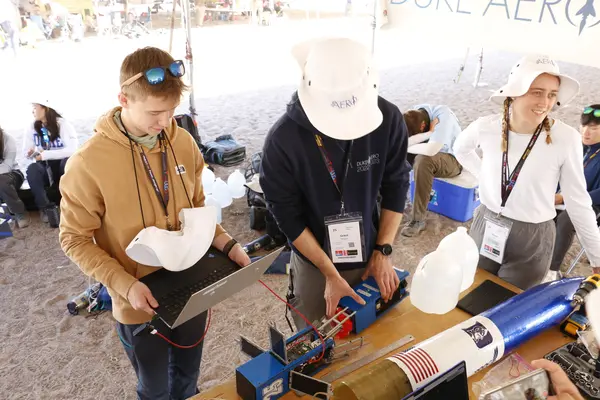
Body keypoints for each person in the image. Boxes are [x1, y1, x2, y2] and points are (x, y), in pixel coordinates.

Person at [58, 47, 251, 399]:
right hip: (138, 301)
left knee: (188, 381)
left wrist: (227, 243)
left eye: (172, 111)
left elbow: (196, 207)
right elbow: (74, 238)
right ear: (123, 99)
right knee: (155, 389)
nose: (164, 123)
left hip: (193, 286)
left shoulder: (182, 141)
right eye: (154, 112)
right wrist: (124, 285)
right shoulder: (88, 163)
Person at [260, 37, 411, 330]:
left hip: (373, 250)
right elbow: (286, 216)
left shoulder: (389, 119)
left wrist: (384, 251)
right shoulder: (282, 140)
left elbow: (397, 184)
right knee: (318, 340)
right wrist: (329, 273)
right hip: (315, 261)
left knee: (375, 334)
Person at [454, 54, 600, 290]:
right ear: (514, 92)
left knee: (507, 305)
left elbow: (578, 201)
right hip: (486, 222)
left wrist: (597, 257)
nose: (545, 102)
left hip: (532, 237)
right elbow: (460, 149)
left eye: (552, 94)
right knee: (472, 291)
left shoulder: (565, 138)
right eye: (536, 92)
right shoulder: (486, 127)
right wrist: (485, 178)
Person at [548, 105, 600, 280]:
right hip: (563, 196)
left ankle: (551, 269)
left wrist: (564, 197)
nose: (586, 132)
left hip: (591, 203)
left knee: (567, 218)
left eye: (594, 128)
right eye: (584, 126)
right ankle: (534, 257)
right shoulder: (576, 145)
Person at [400, 104, 463, 237]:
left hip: (452, 160)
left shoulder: (442, 116)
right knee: (395, 151)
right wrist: (429, 134)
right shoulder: (414, 114)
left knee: (423, 160)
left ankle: (418, 220)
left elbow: (431, 150)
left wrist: (404, 147)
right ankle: (387, 201)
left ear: (422, 126)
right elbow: (403, 142)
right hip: (430, 152)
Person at [23, 99, 78, 224]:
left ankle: (73, 205)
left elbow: (72, 150)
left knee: (68, 163)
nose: (32, 111)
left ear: (45, 108)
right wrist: (30, 153)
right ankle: (45, 208)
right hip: (44, 166)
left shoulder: (62, 124)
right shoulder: (31, 127)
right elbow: (25, 153)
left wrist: (46, 155)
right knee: (32, 169)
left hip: (60, 164)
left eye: (35, 107)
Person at [0, 125, 29, 228]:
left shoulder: (7, 139)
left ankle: (19, 213)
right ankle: (3, 221)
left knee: (1, 181)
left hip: (13, 174)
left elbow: (7, 166)